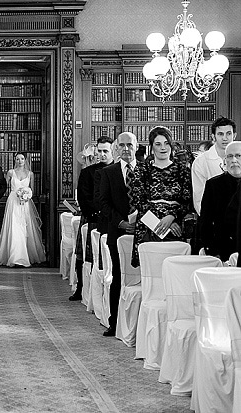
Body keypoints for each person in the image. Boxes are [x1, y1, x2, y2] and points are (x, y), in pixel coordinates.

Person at [129, 126, 192, 267]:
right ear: (151, 147)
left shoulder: (183, 170)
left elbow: (187, 202)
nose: (163, 148)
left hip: (175, 226)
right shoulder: (142, 169)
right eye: (158, 144)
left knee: (174, 271)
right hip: (147, 225)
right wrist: (160, 222)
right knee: (151, 272)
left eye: (166, 143)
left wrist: (172, 218)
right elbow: (139, 202)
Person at [98, 131, 138, 337]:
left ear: (137, 147)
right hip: (117, 231)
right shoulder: (109, 172)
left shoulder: (146, 171)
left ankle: (137, 322)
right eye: (121, 145)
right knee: (119, 276)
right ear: (116, 148)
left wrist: (139, 223)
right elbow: (103, 202)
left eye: (129, 145)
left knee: (140, 278)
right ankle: (114, 322)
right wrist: (121, 222)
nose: (125, 149)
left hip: (142, 233)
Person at [70, 136, 114, 301]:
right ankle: (81, 289)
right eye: (100, 151)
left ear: (112, 151)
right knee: (83, 256)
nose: (102, 155)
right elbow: (84, 197)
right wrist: (95, 213)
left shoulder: (117, 170)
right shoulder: (88, 172)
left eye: (105, 151)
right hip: (91, 218)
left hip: (111, 218)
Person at [0, 152, 45, 267]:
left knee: (25, 228)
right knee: (14, 227)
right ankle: (14, 256)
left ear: (25, 160)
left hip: (25, 203)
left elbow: (32, 190)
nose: (19, 161)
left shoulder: (30, 174)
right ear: (14, 160)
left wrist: (26, 195)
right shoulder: (11, 172)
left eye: (21, 159)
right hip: (13, 201)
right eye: (17, 159)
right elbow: (3, 187)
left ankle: (25, 256)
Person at [200, 141, 241, 261]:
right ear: (225, 160)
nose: (234, 160)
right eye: (230, 156)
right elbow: (205, 221)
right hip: (222, 251)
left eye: (239, 156)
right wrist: (211, 250)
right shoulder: (213, 185)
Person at [192, 116, 237, 215]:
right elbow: (199, 198)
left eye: (228, 134)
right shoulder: (201, 162)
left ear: (234, 136)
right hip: (213, 220)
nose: (225, 138)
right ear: (213, 137)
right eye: (220, 134)